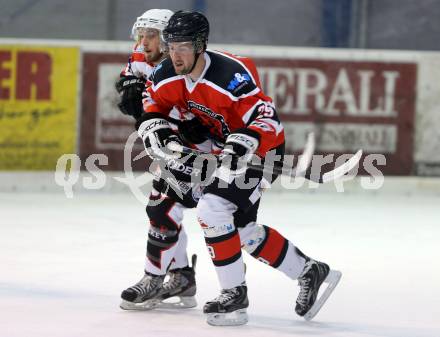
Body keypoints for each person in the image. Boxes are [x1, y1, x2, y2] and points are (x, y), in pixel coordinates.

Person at [135, 10, 341, 326]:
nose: (175, 54)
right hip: (217, 149)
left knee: (212, 209)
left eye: (184, 47)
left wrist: (245, 141)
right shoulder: (166, 73)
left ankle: (234, 296)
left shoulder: (231, 75)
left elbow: (266, 118)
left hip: (260, 150)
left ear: (201, 45)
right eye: (171, 45)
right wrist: (154, 126)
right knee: (240, 231)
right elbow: (153, 103)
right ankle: (308, 270)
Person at [115, 8, 199, 311]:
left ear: (168, 39)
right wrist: (127, 87)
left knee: (165, 211)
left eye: (151, 35)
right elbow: (129, 84)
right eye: (141, 34)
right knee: (164, 213)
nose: (143, 42)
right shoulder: (140, 56)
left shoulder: (182, 64)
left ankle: (158, 278)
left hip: (197, 150)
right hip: (169, 147)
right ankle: (180, 276)